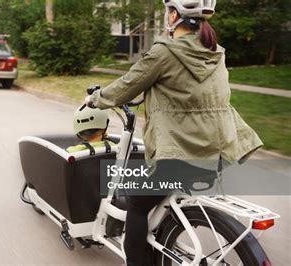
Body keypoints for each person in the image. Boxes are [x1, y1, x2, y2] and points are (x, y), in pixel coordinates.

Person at [84, 0, 263, 265]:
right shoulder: (215, 53)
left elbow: (127, 85)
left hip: (182, 156)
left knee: (136, 204)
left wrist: (95, 100)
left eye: (168, 11)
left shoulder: (165, 52)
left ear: (174, 14)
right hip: (220, 151)